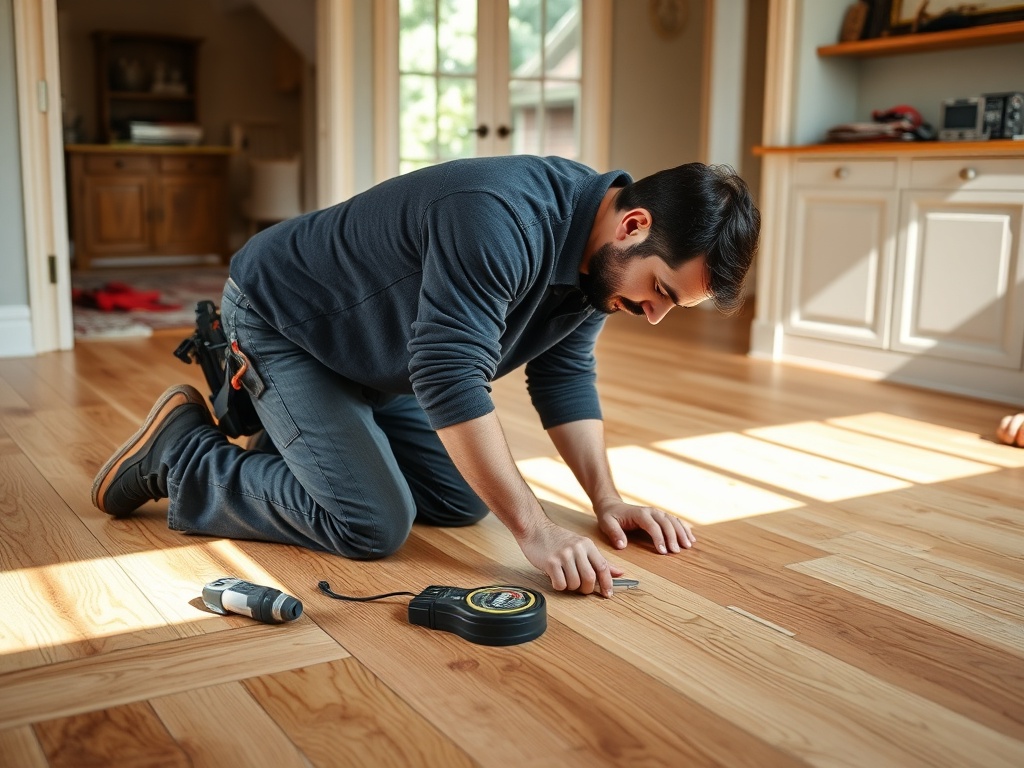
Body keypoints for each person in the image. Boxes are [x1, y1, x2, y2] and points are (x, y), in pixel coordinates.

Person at [92, 155, 760, 598]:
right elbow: (448, 376)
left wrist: (607, 501)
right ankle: (182, 455)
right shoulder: (500, 218)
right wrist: (535, 531)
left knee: (462, 500)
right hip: (285, 321)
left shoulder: (600, 268)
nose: (652, 317)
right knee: (372, 523)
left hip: (376, 358)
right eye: (661, 292)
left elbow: (564, 376)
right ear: (633, 225)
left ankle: (295, 441)